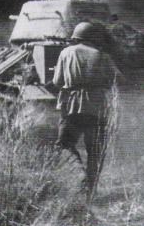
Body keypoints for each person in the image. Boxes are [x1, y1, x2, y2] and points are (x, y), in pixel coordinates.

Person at [53, 22, 120, 200]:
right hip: (96, 106)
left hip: (71, 105)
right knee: (95, 151)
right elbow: (115, 80)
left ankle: (77, 174)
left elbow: (57, 81)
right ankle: (90, 191)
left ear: (76, 37)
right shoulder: (102, 56)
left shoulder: (65, 53)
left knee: (64, 145)